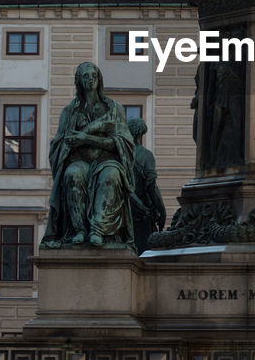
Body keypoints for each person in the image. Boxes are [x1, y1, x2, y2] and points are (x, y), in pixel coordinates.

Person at [40, 62, 135, 249]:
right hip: (80, 160)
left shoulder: (114, 109)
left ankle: (97, 230)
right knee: (72, 174)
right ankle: (79, 230)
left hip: (107, 161)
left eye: (93, 75)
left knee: (111, 176)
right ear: (79, 81)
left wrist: (85, 138)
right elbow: (59, 143)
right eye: (85, 76)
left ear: (99, 80)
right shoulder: (70, 111)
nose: (90, 79)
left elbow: (122, 143)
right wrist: (72, 142)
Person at [127, 118, 167, 253]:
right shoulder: (146, 155)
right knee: (144, 253)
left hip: (121, 212)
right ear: (141, 133)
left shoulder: (118, 154)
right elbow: (152, 187)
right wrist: (162, 211)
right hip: (141, 214)